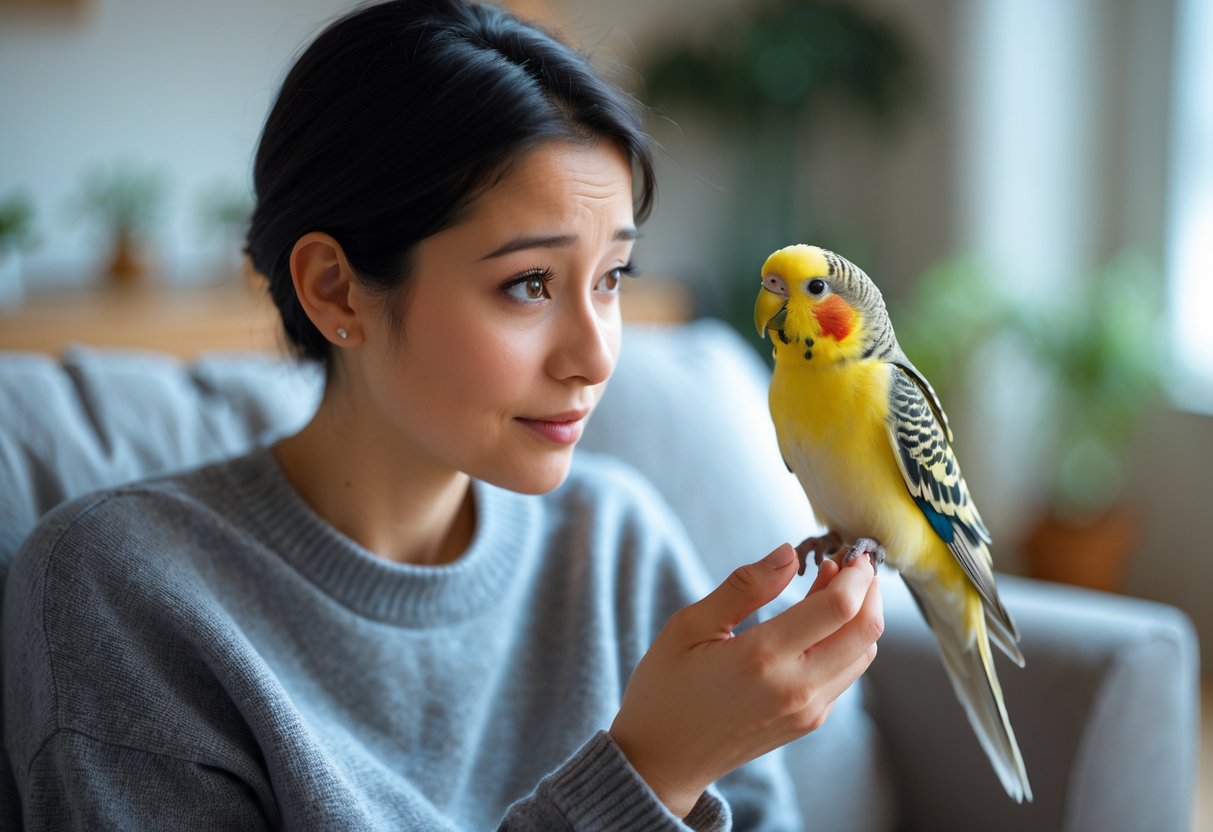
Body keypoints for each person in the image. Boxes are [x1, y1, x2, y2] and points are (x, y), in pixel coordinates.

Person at [1, 0, 883, 828]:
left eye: (611, 278)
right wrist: (649, 774)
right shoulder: (121, 593)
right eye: (528, 284)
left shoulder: (617, 545)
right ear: (334, 288)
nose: (597, 354)